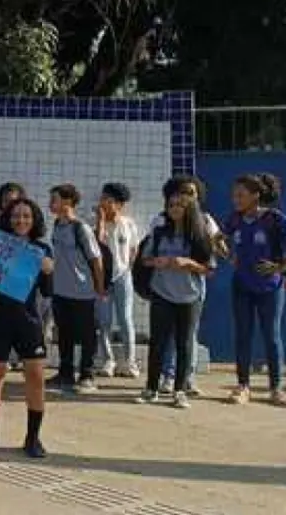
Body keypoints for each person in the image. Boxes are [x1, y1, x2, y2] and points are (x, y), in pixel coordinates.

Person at [224, 173, 286, 406]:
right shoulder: (235, 219)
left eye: (241, 195)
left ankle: (276, 389)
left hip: (270, 287)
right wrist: (230, 257)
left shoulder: (273, 218)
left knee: (272, 336)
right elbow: (217, 238)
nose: (235, 199)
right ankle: (243, 386)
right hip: (241, 285)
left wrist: (281, 266)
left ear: (256, 195)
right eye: (233, 195)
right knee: (243, 336)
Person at [0, 198, 53, 458]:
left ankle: (33, 437)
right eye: (15, 216)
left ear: (34, 220)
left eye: (26, 216)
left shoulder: (41, 248)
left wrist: (48, 271)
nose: (21, 221)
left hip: (29, 320)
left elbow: (47, 291)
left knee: (35, 376)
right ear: (7, 218)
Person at [135, 194, 215, 409]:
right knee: (158, 342)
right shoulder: (159, 233)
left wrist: (189, 263)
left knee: (185, 343)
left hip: (190, 295)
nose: (175, 209)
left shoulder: (199, 236)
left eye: (180, 205)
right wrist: (156, 261)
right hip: (162, 292)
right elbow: (144, 258)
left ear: (190, 209)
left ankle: (180, 390)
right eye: (171, 205)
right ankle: (151, 387)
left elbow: (209, 269)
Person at [151, 175, 225, 395]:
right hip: (165, 285)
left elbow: (218, 250)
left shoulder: (206, 220)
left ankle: (187, 378)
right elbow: (148, 249)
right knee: (168, 333)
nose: (189, 197)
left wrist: (216, 246)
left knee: (188, 334)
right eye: (184, 193)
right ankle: (168, 374)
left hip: (193, 285)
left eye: (192, 193)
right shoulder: (161, 220)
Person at [47, 184, 105, 394]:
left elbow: (96, 259)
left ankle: (87, 374)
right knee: (64, 334)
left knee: (87, 334)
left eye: (55, 199)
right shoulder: (56, 225)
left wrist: (99, 288)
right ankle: (65, 373)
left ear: (68, 202)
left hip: (83, 292)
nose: (51, 203)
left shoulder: (81, 228)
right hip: (61, 291)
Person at [94, 182, 140, 379]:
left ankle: (129, 362)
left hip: (122, 277)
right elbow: (96, 246)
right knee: (103, 321)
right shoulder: (95, 223)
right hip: (102, 279)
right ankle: (107, 360)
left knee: (125, 319)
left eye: (109, 201)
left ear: (120, 205)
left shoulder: (128, 224)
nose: (104, 203)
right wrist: (100, 222)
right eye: (102, 199)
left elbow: (133, 249)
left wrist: (126, 267)